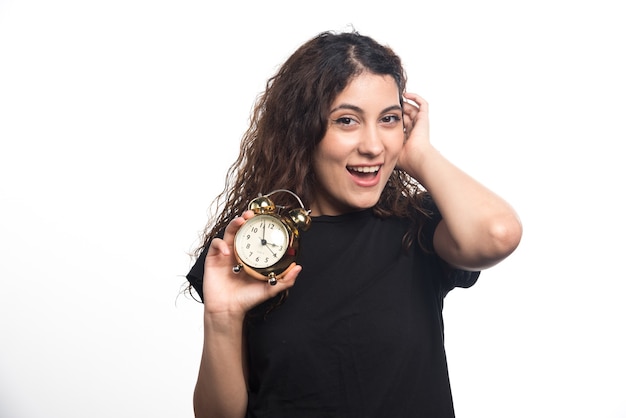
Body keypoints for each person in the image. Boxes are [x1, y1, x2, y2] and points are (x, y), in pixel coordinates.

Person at [185, 29, 522, 418]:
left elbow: (499, 234)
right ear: (303, 129)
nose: (374, 145)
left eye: (389, 119)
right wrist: (222, 318)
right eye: (347, 120)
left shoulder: (418, 227)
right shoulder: (255, 241)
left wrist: (421, 155)